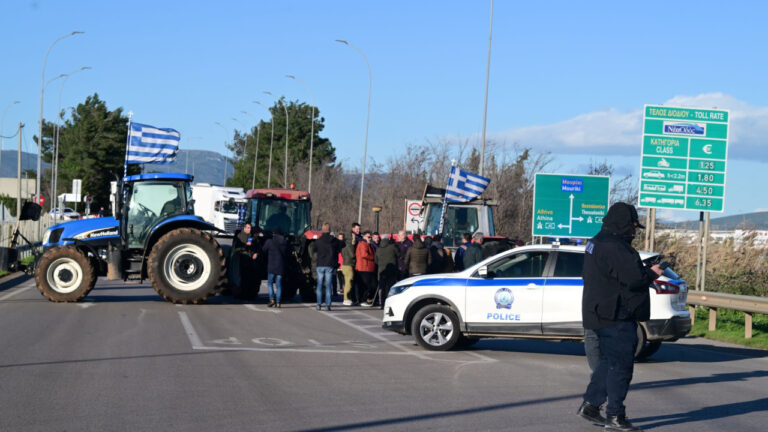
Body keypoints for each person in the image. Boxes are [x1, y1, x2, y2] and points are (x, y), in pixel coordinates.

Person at [576, 202, 662, 432]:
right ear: (624, 223)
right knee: (620, 367)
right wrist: (652, 273)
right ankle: (615, 416)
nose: (635, 231)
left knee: (608, 362)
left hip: (599, 312)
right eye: (633, 226)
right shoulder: (616, 246)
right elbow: (634, 280)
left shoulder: (597, 241)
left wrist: (640, 268)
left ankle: (591, 405)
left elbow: (617, 273)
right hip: (616, 314)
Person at [314, 223, 345, 311]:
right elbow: (343, 244)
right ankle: (328, 304)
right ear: (329, 230)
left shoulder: (318, 241)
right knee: (328, 286)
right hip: (329, 265)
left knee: (319, 285)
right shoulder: (334, 240)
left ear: (322, 230)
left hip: (320, 264)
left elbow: (314, 249)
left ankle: (318, 304)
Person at [231, 223, 260, 299]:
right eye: (247, 228)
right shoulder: (240, 237)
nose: (249, 229)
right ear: (244, 228)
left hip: (251, 261)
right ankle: (242, 294)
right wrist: (246, 246)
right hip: (243, 260)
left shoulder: (252, 237)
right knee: (243, 278)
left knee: (251, 278)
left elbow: (257, 247)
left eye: (250, 228)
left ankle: (250, 294)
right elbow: (237, 249)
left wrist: (256, 253)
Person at [262, 227, 288, 308]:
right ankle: (278, 302)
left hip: (271, 267)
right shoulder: (285, 242)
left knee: (270, 283)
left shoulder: (269, 242)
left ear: (273, 234)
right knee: (279, 285)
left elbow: (263, 250)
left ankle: (272, 299)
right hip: (280, 267)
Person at [374, 236, 400, 308]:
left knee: (382, 288)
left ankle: (381, 303)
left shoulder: (378, 249)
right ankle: (390, 303)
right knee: (390, 287)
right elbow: (399, 255)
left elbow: (376, 260)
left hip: (381, 270)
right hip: (391, 271)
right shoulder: (392, 247)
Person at [355, 231, 376, 307]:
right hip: (364, 268)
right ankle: (363, 300)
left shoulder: (369, 245)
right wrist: (373, 257)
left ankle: (367, 299)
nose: (370, 238)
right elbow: (364, 254)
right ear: (364, 237)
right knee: (366, 285)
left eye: (370, 237)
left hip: (369, 268)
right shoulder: (363, 244)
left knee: (371, 285)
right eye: (368, 237)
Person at [340, 234, 357, 305]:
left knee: (347, 282)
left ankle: (346, 298)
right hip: (349, 264)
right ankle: (346, 298)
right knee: (348, 282)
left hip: (344, 264)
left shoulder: (344, 245)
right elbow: (352, 255)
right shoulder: (349, 245)